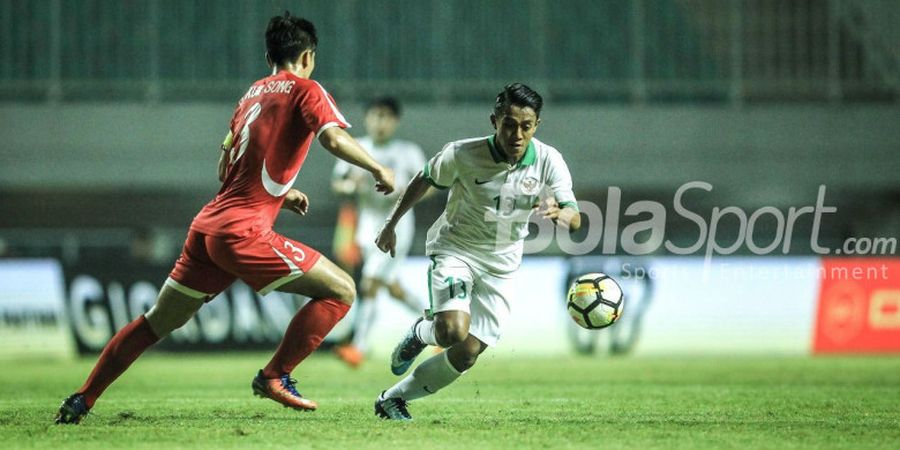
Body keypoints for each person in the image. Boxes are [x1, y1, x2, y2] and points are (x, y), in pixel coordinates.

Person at [55, 12, 395, 424]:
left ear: (268, 54)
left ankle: (82, 398)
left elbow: (226, 168)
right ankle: (276, 375)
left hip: (207, 227)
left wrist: (280, 195)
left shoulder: (250, 96)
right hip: (241, 231)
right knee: (341, 290)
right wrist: (377, 168)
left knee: (156, 322)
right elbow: (334, 137)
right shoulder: (307, 89)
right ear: (307, 56)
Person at [372, 83, 581, 420]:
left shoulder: (548, 160)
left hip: (503, 264)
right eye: (509, 124)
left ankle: (392, 400)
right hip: (456, 250)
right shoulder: (463, 154)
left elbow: (575, 217)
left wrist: (563, 214)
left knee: (466, 353)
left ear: (536, 125)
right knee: (451, 331)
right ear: (494, 121)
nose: (516, 133)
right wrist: (390, 224)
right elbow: (423, 179)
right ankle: (420, 333)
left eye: (526, 126)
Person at [331, 97, 426, 367]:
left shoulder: (408, 151)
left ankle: (358, 347)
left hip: (397, 227)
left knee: (370, 283)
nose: (379, 122)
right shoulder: (357, 147)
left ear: (395, 121)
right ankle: (437, 323)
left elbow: (429, 185)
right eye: (375, 116)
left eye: (385, 116)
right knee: (391, 287)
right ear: (366, 119)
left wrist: (404, 193)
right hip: (367, 227)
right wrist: (350, 186)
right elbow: (338, 183)